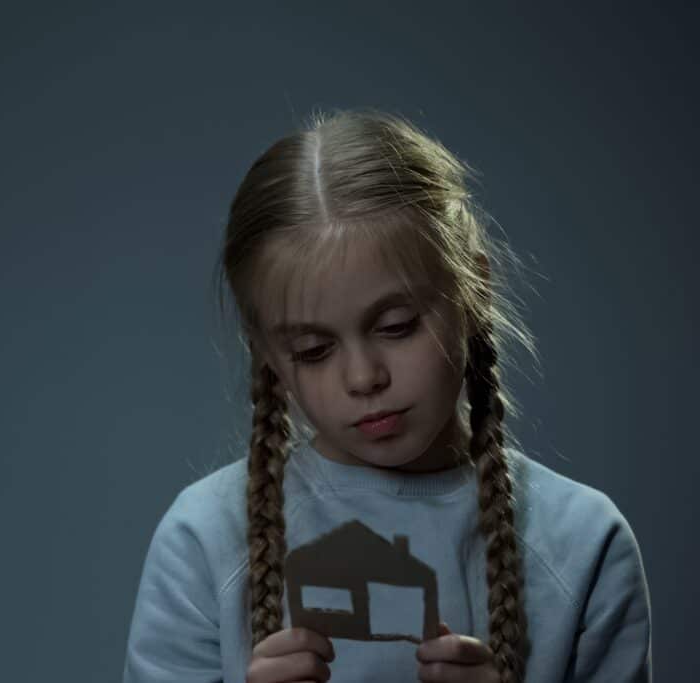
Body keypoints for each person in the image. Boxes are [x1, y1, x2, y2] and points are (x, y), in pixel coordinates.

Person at [121, 108, 652, 682]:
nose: (363, 377)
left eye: (396, 326)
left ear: (472, 291)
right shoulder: (204, 539)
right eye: (313, 350)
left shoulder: (583, 543)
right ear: (267, 353)